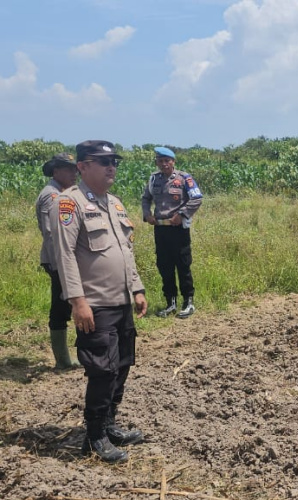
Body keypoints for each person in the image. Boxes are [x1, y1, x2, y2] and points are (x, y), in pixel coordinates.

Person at [51, 140, 147, 463]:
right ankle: (93, 437)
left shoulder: (115, 204)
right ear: (82, 167)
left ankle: (109, 424)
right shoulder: (69, 203)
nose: (111, 167)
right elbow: (64, 256)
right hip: (94, 304)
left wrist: (137, 288)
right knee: (102, 370)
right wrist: (77, 301)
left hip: (120, 302)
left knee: (121, 365)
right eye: (103, 161)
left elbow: (125, 250)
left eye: (114, 162)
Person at [141, 147, 203, 319]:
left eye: (167, 160)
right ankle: (171, 303)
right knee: (164, 266)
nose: (164, 164)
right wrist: (147, 214)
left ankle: (188, 302)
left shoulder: (184, 178)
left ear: (173, 162)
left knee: (183, 265)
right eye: (160, 161)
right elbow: (146, 198)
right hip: (160, 229)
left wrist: (182, 214)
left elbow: (196, 198)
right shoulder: (154, 179)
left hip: (178, 229)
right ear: (157, 162)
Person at [36, 153, 80, 369]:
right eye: (69, 169)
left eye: (75, 169)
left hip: (62, 259)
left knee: (65, 303)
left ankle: (67, 358)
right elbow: (52, 235)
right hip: (57, 259)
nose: (75, 174)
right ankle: (63, 360)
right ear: (56, 171)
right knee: (62, 305)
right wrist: (63, 265)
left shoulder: (62, 193)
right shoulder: (51, 196)